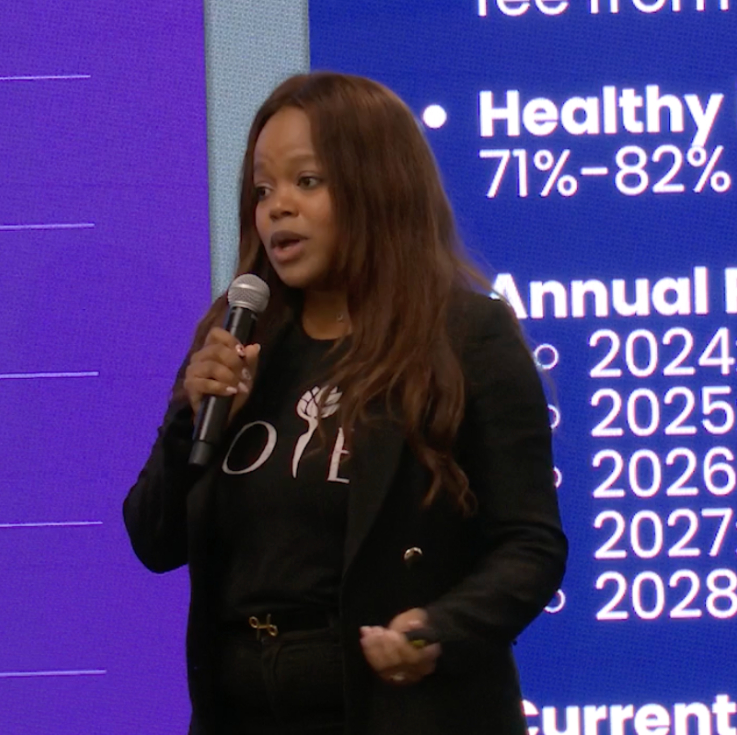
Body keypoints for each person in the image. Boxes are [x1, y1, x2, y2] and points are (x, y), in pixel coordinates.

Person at [123, 71, 567, 735]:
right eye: (263, 190)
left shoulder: (465, 337)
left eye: (307, 181)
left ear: (378, 185)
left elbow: (529, 544)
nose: (277, 208)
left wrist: (438, 629)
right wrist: (192, 413)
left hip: (401, 712)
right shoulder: (241, 333)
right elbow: (153, 539)